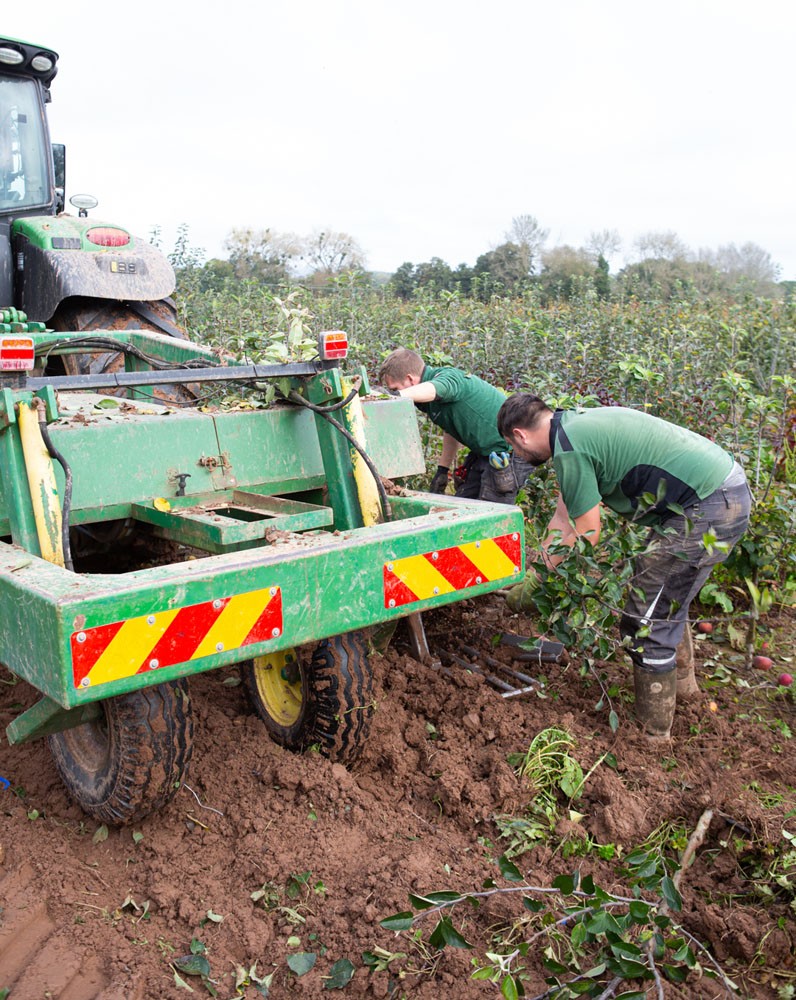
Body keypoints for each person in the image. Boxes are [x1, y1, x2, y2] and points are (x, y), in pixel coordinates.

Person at [497, 393, 751, 741]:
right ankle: (686, 691)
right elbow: (563, 520)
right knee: (664, 595)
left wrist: (550, 585)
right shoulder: (571, 428)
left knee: (644, 619)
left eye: (514, 447)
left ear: (520, 435)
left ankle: (653, 737)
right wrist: (535, 575)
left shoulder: (570, 447)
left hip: (710, 504)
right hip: (720, 492)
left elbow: (587, 533)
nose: (517, 456)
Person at [378, 348, 534, 504]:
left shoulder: (447, 377)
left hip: (510, 451)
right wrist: (442, 470)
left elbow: (439, 388)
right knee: (463, 506)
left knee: (491, 513)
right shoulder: (430, 400)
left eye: (395, 388)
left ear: (410, 379)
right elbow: (451, 428)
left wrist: (392, 397)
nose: (394, 393)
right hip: (485, 453)